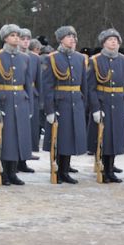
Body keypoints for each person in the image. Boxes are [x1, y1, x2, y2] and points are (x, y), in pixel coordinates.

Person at [42, 26, 88, 184]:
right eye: (68, 36)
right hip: (60, 103)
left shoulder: (80, 58)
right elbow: (47, 86)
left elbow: (84, 84)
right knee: (58, 138)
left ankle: (65, 170)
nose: (72, 39)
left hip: (75, 102)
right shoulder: (51, 58)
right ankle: (56, 170)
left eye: (73, 36)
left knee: (70, 138)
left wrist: (84, 104)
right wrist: (49, 110)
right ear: (61, 40)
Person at [0, 24, 33, 186]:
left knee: (18, 137)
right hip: (4, 101)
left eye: (17, 35)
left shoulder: (25, 58)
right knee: (5, 139)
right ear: (5, 38)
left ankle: (13, 172)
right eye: (12, 35)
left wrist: (30, 107)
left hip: (21, 101)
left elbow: (28, 84)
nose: (16, 38)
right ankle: (3, 173)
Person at [87, 28, 124, 183]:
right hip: (102, 102)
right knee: (103, 138)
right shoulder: (95, 60)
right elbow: (91, 87)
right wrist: (95, 108)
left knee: (115, 139)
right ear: (103, 43)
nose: (114, 42)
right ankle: (103, 169)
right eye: (110, 39)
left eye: (116, 40)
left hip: (119, 103)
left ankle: (111, 169)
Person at [19, 28, 41, 166]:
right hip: (17, 93)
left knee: (30, 129)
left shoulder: (35, 57)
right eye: (23, 39)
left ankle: (25, 159)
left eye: (28, 39)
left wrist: (39, 96)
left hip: (32, 94)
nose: (26, 42)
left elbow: (39, 80)